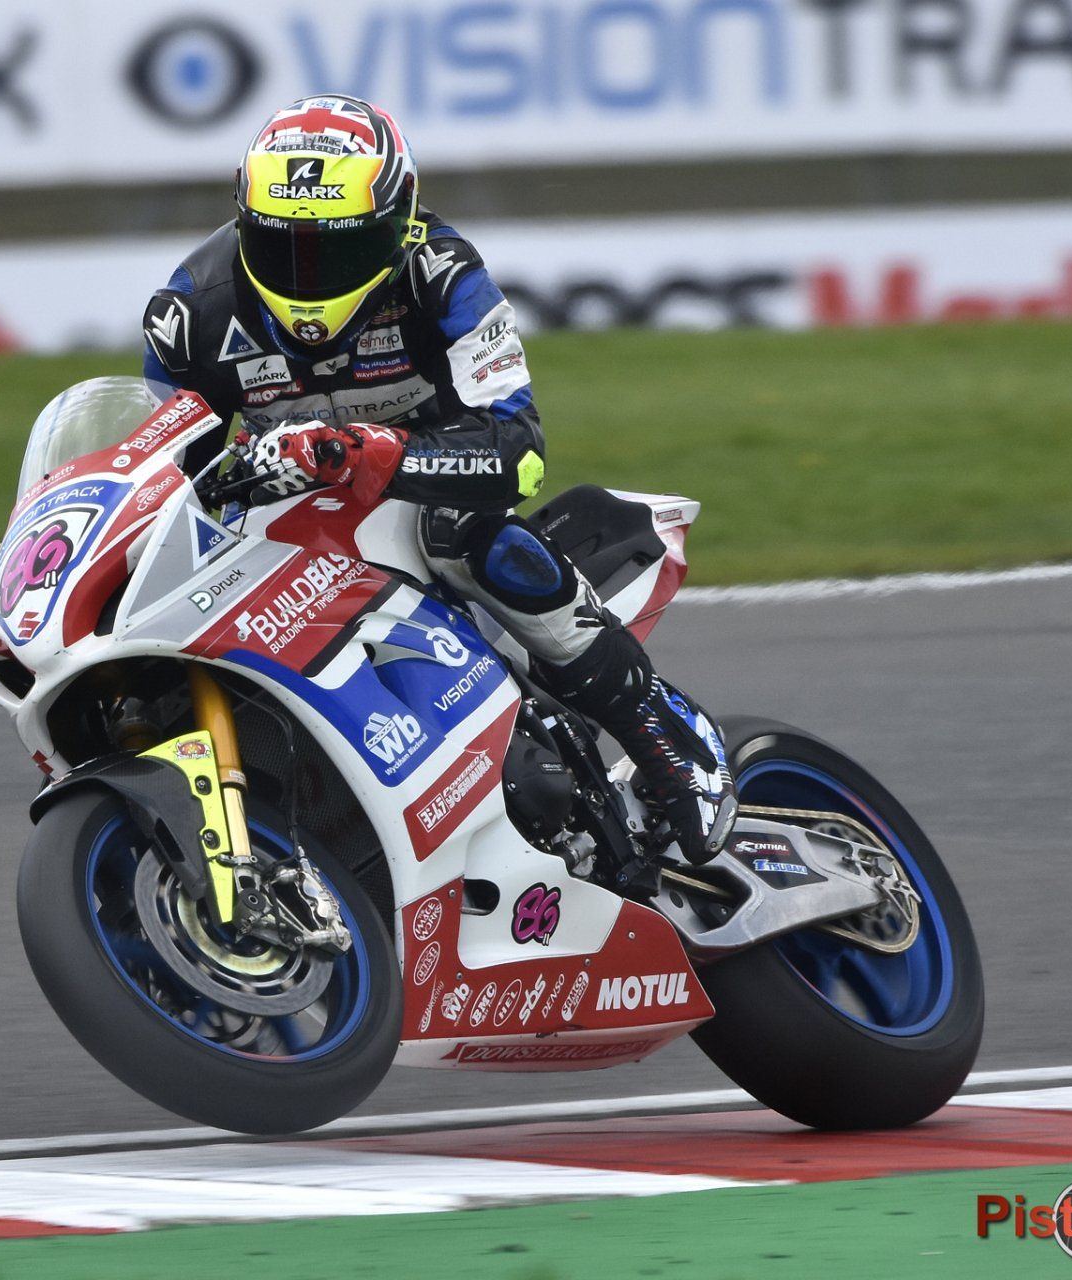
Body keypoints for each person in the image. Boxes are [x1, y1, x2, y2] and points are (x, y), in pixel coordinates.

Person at [141, 95, 736, 864]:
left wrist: (364, 454)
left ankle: (658, 725)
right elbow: (164, 471)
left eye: (342, 251)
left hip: (427, 480)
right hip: (290, 508)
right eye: (289, 249)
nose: (313, 277)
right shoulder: (187, 316)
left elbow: (517, 450)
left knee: (467, 534)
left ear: (400, 223)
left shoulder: (443, 275)